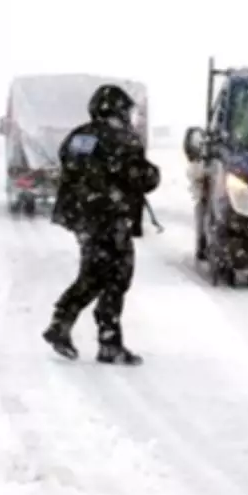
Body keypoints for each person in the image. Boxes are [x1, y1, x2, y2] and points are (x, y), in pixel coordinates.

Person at [42, 84, 160, 365]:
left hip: (82, 218)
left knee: (94, 273)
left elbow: (67, 163)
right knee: (116, 276)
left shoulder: (78, 136)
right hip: (110, 217)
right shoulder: (122, 139)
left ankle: (65, 324)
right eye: (126, 110)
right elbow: (142, 177)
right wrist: (151, 174)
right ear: (118, 109)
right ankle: (105, 340)